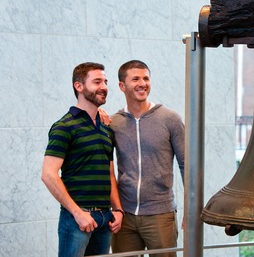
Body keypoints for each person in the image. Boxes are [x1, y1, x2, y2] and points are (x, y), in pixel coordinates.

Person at [41, 62, 124, 257]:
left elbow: (109, 174)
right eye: (97, 82)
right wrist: (78, 213)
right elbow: (48, 175)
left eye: (105, 81)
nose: (104, 87)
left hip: (105, 219)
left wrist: (118, 209)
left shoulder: (106, 128)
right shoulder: (64, 126)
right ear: (79, 86)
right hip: (77, 220)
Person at [111, 60, 185, 257]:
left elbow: (188, 165)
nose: (142, 83)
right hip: (124, 216)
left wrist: (192, 208)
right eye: (135, 79)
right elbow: (106, 168)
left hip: (160, 214)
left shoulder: (170, 119)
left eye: (146, 78)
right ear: (121, 86)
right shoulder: (113, 123)